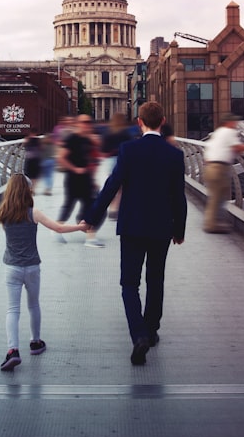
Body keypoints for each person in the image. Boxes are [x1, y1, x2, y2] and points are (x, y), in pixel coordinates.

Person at [81, 101, 187, 365]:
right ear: (162, 121)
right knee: (155, 280)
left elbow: (111, 186)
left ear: (139, 122)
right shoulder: (174, 154)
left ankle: (138, 334)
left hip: (132, 226)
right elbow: (179, 197)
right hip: (162, 227)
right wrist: (179, 229)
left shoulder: (128, 150)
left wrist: (92, 217)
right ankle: (151, 332)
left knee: (129, 283)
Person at [0, 173, 88, 371]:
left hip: (11, 267)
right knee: (33, 305)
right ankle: (35, 342)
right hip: (31, 267)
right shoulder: (33, 213)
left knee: (13, 309)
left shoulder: (3, 212)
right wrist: (79, 227)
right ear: (28, 190)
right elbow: (58, 228)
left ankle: (12, 350)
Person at [202, 113, 244, 234]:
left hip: (209, 166)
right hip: (219, 168)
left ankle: (215, 221)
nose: (236, 124)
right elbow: (236, 148)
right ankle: (211, 224)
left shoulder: (217, 133)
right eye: (234, 122)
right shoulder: (229, 132)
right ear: (229, 122)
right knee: (218, 196)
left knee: (217, 195)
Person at [57, 114, 104, 248]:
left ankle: (89, 235)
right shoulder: (72, 138)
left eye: (89, 122)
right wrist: (75, 169)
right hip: (73, 179)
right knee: (69, 205)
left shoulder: (88, 140)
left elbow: (93, 159)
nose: (87, 125)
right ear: (78, 123)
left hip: (86, 179)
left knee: (93, 206)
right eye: (84, 122)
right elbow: (61, 158)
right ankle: (58, 228)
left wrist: (93, 179)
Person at [101, 113, 135, 219]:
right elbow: (130, 148)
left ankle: (112, 207)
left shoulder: (107, 133)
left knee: (111, 185)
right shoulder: (125, 133)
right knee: (121, 187)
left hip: (110, 160)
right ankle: (115, 208)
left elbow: (103, 149)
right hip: (121, 160)